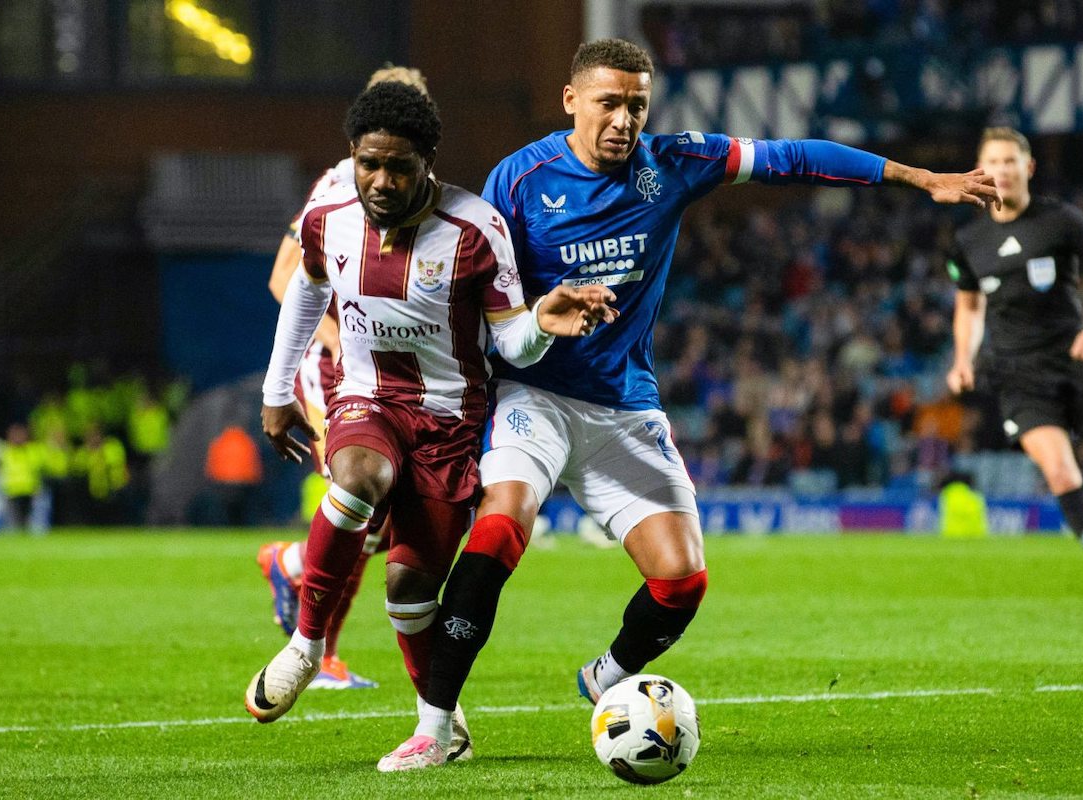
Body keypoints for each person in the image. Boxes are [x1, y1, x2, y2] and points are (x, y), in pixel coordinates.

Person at [377, 37, 1000, 772]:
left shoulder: (674, 162)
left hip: (624, 408)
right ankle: (436, 725)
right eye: (609, 102)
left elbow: (792, 157)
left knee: (681, 583)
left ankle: (606, 678)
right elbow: (480, 295)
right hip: (534, 395)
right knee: (499, 534)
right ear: (571, 100)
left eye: (637, 105)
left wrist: (919, 178)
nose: (624, 119)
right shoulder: (519, 179)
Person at [242, 82, 617, 764]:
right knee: (358, 475)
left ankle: (440, 729)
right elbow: (305, 291)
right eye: (367, 164)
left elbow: (508, 342)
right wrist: (276, 391)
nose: (380, 181)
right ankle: (306, 645)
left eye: (399, 168)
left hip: (449, 423)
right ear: (351, 157)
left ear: (430, 161)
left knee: (410, 587)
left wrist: (542, 322)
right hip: (366, 399)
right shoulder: (330, 219)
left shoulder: (475, 230)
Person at [256, 64, 430, 692]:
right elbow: (285, 279)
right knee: (359, 498)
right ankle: (320, 653)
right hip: (332, 365)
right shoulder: (338, 184)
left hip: (385, 371)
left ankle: (294, 562)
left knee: (377, 520)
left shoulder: (422, 191)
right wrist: (337, 336)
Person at [945, 126, 1083, 610]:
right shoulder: (968, 240)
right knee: (1061, 473)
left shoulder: (1059, 220)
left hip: (1076, 362)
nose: (1000, 171)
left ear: (1028, 167)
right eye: (992, 163)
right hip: (1018, 376)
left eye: (1009, 161)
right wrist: (962, 360)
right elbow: (969, 307)